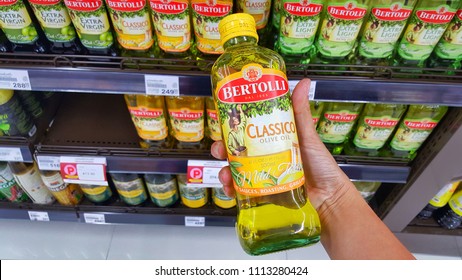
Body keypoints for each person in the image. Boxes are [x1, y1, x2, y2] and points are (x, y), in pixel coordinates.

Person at [211, 79, 415, 260]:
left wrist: (331, 198)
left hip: (293, 185)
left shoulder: (269, 63)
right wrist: (331, 200)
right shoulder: (228, 77)